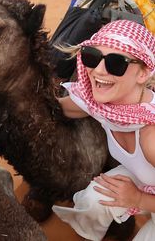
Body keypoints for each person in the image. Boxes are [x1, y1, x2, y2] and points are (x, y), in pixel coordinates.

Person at [52, 19, 155, 241]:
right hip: (145, 180)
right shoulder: (105, 104)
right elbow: (57, 110)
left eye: (116, 63)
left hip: (144, 193)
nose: (98, 70)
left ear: (143, 73)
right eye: (92, 57)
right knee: (92, 201)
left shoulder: (151, 137)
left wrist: (138, 199)